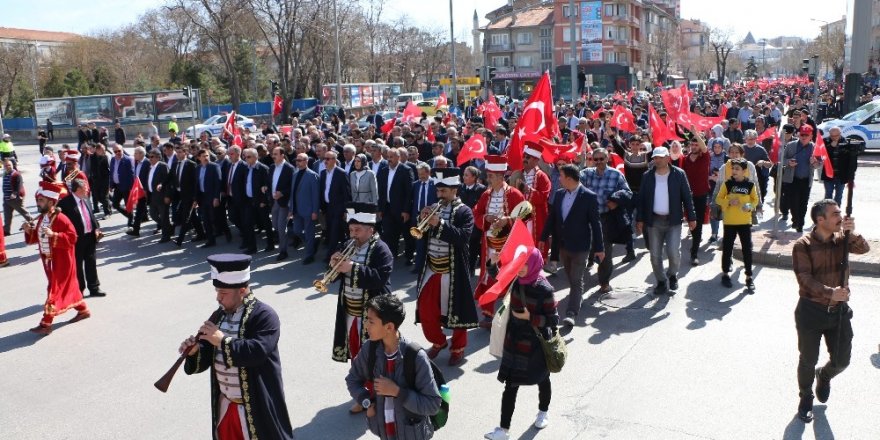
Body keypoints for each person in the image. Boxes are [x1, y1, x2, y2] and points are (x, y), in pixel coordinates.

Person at [181, 254, 294, 440]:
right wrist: (195, 352)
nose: (218, 298)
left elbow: (257, 352)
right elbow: (208, 352)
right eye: (217, 292)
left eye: (223, 293)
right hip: (226, 406)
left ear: (242, 290)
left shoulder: (265, 316)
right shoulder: (219, 315)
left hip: (257, 407)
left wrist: (222, 341)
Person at [790, 199, 870, 423]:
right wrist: (830, 292)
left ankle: (823, 376)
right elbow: (804, 279)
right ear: (820, 220)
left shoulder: (842, 240)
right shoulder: (803, 245)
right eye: (835, 214)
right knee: (808, 359)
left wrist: (851, 232)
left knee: (842, 361)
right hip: (811, 311)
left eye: (841, 213)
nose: (840, 217)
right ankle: (805, 397)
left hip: (839, 312)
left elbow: (864, 249)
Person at [484, 248, 559, 440]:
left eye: (525, 263)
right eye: (519, 263)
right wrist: (493, 262)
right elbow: (498, 278)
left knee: (542, 378)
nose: (521, 268)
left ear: (534, 263)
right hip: (515, 342)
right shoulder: (516, 280)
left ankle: (543, 411)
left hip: (535, 345)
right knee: (510, 385)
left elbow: (553, 320)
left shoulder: (545, 289)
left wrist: (530, 317)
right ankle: (503, 430)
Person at [345, 294, 442, 439]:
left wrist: (397, 391)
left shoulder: (415, 357)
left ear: (389, 327)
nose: (365, 325)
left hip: (412, 434)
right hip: (384, 432)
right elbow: (352, 379)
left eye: (371, 322)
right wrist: (367, 401)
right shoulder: (369, 349)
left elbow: (432, 404)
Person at [413, 168, 478, 366]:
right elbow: (422, 234)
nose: (439, 195)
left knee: (458, 313)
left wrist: (439, 223)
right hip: (432, 267)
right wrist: (422, 220)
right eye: (438, 191)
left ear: (454, 190)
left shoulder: (464, 212)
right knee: (425, 310)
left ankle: (458, 348)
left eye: (443, 191)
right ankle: (438, 341)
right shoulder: (434, 207)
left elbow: (463, 238)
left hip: (453, 269)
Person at [326, 204, 393, 372]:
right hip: (349, 309)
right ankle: (360, 384)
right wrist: (333, 265)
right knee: (354, 348)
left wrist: (352, 268)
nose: (353, 234)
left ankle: (374, 389)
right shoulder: (347, 245)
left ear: (370, 230)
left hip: (372, 313)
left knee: (373, 353)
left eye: (357, 230)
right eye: (351, 230)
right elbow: (337, 275)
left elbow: (380, 279)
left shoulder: (381, 249)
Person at [23, 181, 91, 335]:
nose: (38, 203)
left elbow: (72, 237)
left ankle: (45, 324)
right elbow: (39, 238)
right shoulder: (42, 218)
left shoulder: (61, 219)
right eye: (38, 200)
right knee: (69, 288)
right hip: (49, 262)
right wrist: (29, 231)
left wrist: (54, 235)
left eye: (41, 200)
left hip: (62, 263)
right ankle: (83, 310)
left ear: (51, 201)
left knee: (53, 292)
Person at [540, 164, 604, 326]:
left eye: (561, 176)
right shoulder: (560, 194)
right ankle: (578, 294)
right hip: (563, 245)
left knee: (575, 280)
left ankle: (571, 313)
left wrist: (599, 248)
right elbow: (552, 217)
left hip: (581, 246)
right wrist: (542, 237)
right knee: (572, 277)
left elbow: (596, 224)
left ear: (569, 178)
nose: (558, 179)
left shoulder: (589, 197)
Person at [635, 146, 696, 295]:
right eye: (655, 157)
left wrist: (692, 217)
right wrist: (640, 219)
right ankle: (661, 281)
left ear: (668, 158)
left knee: (673, 252)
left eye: (661, 157)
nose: (657, 160)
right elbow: (641, 199)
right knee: (655, 255)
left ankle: (672, 274)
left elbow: (687, 197)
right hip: (654, 221)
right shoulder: (647, 176)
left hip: (673, 220)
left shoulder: (679, 174)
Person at [473, 155, 526, 325]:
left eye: (490, 176)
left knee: (510, 279)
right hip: (490, 246)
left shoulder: (515, 194)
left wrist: (508, 220)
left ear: (500, 177)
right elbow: (476, 213)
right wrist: (486, 218)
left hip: (509, 246)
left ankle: (511, 315)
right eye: (487, 176)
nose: (487, 179)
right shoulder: (486, 195)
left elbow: (525, 214)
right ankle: (488, 314)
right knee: (490, 278)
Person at [579, 148, 631, 294]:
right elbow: (574, 179)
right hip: (587, 218)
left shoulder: (616, 175)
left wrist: (616, 200)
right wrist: (577, 162)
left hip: (606, 218)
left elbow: (627, 193)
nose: (599, 162)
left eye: (602, 159)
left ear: (607, 158)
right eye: (596, 159)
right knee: (582, 248)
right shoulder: (587, 173)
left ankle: (604, 281)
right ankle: (579, 278)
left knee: (605, 251)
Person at [714, 158, 759, 291]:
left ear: (744, 171)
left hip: (745, 221)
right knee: (727, 248)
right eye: (733, 168)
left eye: (737, 169)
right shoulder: (727, 184)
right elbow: (718, 198)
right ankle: (725, 274)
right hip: (730, 222)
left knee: (747, 249)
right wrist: (728, 202)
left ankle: (749, 276)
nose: (734, 171)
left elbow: (755, 200)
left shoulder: (750, 185)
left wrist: (749, 206)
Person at [57, 178, 107, 297]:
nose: (87, 190)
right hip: (76, 239)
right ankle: (79, 290)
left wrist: (97, 228)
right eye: (85, 188)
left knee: (91, 263)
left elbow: (91, 216)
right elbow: (61, 223)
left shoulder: (86, 199)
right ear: (78, 189)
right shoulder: (64, 203)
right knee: (78, 266)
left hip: (90, 236)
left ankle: (94, 287)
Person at [782, 125, 822, 233]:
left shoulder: (814, 148)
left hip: (806, 180)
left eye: (806, 135)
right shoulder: (791, 146)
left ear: (811, 136)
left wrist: (815, 162)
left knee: (803, 203)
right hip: (792, 179)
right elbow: (782, 159)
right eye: (802, 134)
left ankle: (800, 224)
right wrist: (788, 162)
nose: (803, 137)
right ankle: (795, 219)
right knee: (793, 202)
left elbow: (819, 164)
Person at [679, 129, 710, 265]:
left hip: (701, 194)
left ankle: (694, 253)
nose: (694, 146)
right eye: (692, 144)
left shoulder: (705, 156)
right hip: (688, 195)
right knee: (690, 221)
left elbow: (704, 147)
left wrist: (696, 134)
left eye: (696, 144)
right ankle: (693, 241)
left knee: (698, 223)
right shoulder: (685, 159)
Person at [319, 150, 352, 262]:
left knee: (334, 233)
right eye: (325, 159)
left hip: (338, 208)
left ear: (334, 160)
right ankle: (344, 253)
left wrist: (345, 210)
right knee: (334, 232)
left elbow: (347, 194)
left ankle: (329, 257)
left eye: (328, 159)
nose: (325, 161)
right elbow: (322, 190)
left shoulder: (341, 173)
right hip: (328, 208)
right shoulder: (323, 173)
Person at [289, 153, 320, 264]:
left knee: (309, 233)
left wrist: (315, 211)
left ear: (306, 161)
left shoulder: (312, 175)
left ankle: (309, 255)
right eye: (297, 160)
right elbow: (292, 193)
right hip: (297, 209)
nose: (298, 162)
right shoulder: (295, 174)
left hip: (309, 210)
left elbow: (315, 195)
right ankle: (312, 242)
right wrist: (291, 208)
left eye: (300, 160)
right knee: (297, 230)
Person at [820, 127, 858, 205]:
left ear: (840, 134)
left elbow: (851, 162)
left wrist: (851, 177)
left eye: (836, 135)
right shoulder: (825, 141)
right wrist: (830, 146)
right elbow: (822, 154)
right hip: (828, 174)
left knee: (839, 196)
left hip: (841, 175)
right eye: (832, 136)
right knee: (828, 195)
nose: (834, 138)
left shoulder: (846, 142)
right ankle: (827, 213)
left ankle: (836, 213)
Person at [460, 166, 486, 274]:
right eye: (464, 175)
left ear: (474, 177)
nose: (464, 177)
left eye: (466, 175)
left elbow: (482, 206)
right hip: (461, 222)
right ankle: (462, 267)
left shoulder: (481, 189)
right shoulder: (460, 188)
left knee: (473, 246)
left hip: (475, 223)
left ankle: (470, 268)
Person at [195, 149, 221, 248]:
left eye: (207, 156)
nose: (205, 158)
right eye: (203, 156)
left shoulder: (214, 167)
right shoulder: (197, 168)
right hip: (202, 197)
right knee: (205, 220)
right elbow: (196, 185)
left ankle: (226, 232)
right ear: (199, 158)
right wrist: (196, 199)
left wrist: (216, 197)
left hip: (212, 196)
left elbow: (218, 183)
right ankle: (211, 240)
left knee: (214, 218)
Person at [145, 150, 172, 242]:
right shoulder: (150, 167)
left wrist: (167, 196)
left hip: (162, 196)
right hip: (153, 196)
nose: (150, 159)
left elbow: (168, 182)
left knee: (164, 216)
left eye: (152, 157)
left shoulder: (162, 166)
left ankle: (166, 236)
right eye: (149, 157)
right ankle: (168, 227)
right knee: (153, 214)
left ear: (158, 157)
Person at [3, 158, 33, 235]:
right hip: (6, 199)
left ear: (12, 165)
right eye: (6, 165)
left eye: (9, 165)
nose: (7, 166)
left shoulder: (16, 174)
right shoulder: (5, 174)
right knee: (7, 216)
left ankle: (33, 224)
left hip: (15, 199)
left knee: (24, 212)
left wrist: (15, 193)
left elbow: (19, 186)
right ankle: (6, 231)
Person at [127, 146, 151, 236]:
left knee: (151, 210)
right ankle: (136, 229)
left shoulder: (147, 163)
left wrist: (146, 189)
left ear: (141, 154)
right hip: (139, 190)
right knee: (140, 210)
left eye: (136, 153)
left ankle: (164, 226)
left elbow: (148, 177)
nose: (134, 155)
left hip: (145, 191)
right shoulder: (137, 163)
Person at [109, 143, 135, 218]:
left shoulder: (128, 160)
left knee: (129, 206)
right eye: (115, 151)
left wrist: (131, 188)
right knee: (115, 204)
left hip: (126, 187)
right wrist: (111, 185)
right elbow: (112, 172)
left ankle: (131, 222)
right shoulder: (113, 159)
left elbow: (132, 174)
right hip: (117, 186)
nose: (117, 153)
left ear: (122, 150)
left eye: (119, 151)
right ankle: (129, 216)